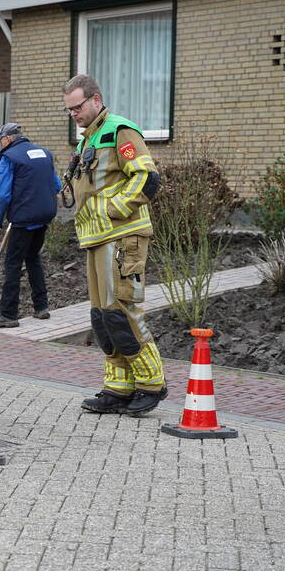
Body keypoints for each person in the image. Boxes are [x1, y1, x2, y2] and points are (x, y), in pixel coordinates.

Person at [62, 74, 167, 417]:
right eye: (70, 109)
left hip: (122, 236)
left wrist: (114, 209)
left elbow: (146, 176)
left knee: (122, 311)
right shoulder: (86, 140)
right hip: (96, 239)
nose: (74, 114)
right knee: (102, 315)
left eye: (78, 106)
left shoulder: (119, 130)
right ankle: (118, 387)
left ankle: (151, 383)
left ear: (96, 99)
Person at [0, 122, 61, 328]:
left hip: (23, 219)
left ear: (8, 139)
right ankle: (41, 306)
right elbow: (57, 185)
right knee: (33, 258)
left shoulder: (10, 157)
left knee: (12, 264)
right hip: (44, 216)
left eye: (0, 141)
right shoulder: (44, 153)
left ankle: (9, 315)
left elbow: (2, 193)